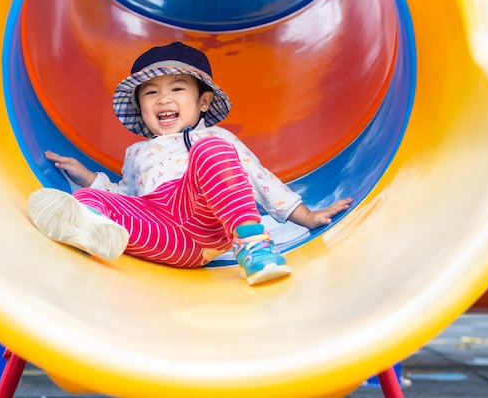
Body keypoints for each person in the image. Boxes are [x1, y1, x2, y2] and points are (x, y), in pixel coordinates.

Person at [28, 42, 352, 285]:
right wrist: (87, 179)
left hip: (206, 221)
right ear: (140, 107)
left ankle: (254, 247)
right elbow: (125, 197)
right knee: (87, 201)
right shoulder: (137, 153)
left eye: (177, 89)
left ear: (203, 101)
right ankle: (92, 231)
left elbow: (259, 179)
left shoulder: (214, 139)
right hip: (167, 237)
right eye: (151, 93)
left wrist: (306, 216)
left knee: (211, 148)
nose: (163, 99)